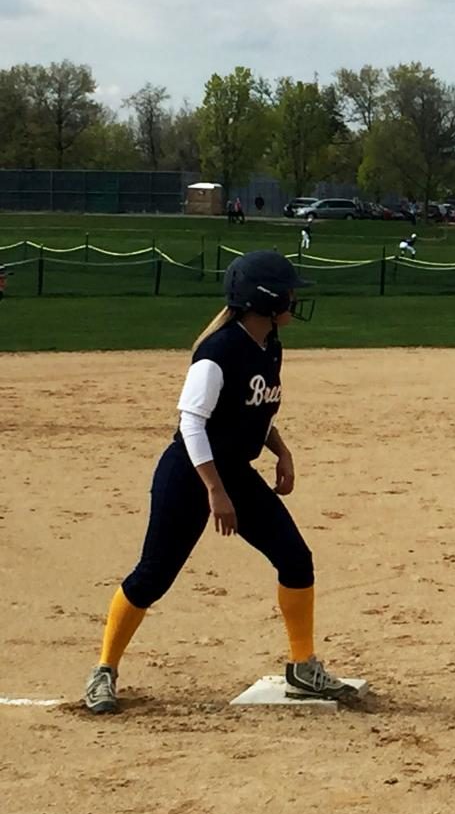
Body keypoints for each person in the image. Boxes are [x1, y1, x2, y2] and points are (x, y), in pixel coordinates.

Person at [82, 251, 356, 714]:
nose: (294, 298)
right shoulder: (219, 351)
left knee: (295, 558)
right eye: (288, 291)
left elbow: (253, 412)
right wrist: (215, 491)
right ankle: (103, 671)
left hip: (233, 472)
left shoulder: (269, 344)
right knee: (153, 575)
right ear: (264, 299)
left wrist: (281, 450)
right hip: (190, 474)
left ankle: (302, 666)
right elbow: (192, 423)